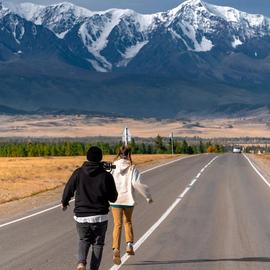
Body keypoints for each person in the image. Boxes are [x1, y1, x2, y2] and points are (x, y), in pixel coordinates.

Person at [61, 146, 118, 270]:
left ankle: (81, 262)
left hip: (81, 216)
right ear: (100, 158)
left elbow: (68, 189)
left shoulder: (78, 172)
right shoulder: (105, 175)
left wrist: (64, 202)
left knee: (83, 239)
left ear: (87, 157)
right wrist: (109, 177)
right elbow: (114, 198)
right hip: (100, 216)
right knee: (98, 244)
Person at [110, 145, 153, 265]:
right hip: (128, 200)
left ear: (119, 153)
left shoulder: (113, 166)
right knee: (127, 222)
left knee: (117, 224)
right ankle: (129, 245)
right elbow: (136, 184)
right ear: (129, 154)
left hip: (115, 200)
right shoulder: (133, 168)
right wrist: (148, 197)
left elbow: (108, 181)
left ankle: (116, 249)